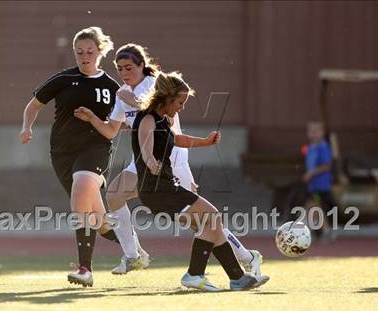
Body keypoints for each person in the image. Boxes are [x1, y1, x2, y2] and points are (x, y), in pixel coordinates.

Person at [74, 44, 266, 277]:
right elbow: (111, 131)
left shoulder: (154, 84)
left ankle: (246, 256)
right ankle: (134, 256)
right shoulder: (123, 92)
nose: (124, 73)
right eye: (119, 69)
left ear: (141, 65)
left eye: (129, 67)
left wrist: (131, 100)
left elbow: (155, 114)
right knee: (114, 194)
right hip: (146, 158)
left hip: (170, 159)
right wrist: (93, 118)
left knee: (201, 222)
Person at [131, 71, 269, 291]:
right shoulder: (147, 117)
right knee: (213, 217)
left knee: (212, 225)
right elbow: (145, 145)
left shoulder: (163, 120)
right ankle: (194, 274)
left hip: (165, 186)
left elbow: (177, 139)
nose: (181, 107)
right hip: (158, 189)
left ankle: (238, 278)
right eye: (180, 102)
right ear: (167, 97)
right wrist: (150, 162)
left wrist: (205, 142)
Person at [19, 26, 122, 287]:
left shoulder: (112, 86)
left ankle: (85, 269)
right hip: (63, 153)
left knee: (81, 193)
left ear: (100, 52)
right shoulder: (64, 79)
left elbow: (117, 123)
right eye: (79, 53)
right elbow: (34, 105)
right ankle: (133, 248)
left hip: (96, 149)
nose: (85, 57)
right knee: (98, 221)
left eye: (90, 51)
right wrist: (26, 126)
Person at [303, 121, 337, 242]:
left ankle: (324, 231)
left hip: (321, 185)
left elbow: (326, 166)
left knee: (314, 207)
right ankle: (317, 230)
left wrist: (311, 173)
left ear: (322, 133)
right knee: (313, 207)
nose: (313, 134)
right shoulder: (310, 148)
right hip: (312, 185)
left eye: (316, 131)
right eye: (311, 131)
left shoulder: (323, 147)